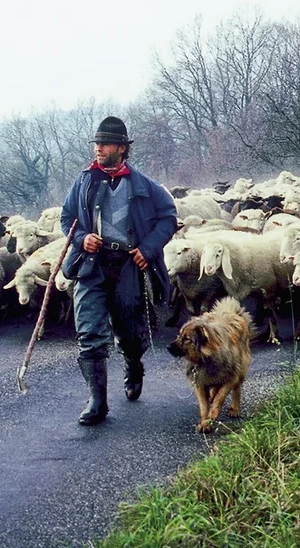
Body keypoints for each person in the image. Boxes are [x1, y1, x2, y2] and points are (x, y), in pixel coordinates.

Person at [59, 116, 177, 426]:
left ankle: (133, 365)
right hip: (91, 265)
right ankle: (97, 401)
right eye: (97, 144)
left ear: (122, 148)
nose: (98, 149)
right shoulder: (84, 181)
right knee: (89, 333)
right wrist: (82, 238)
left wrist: (147, 249)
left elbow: (168, 217)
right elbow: (66, 217)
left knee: (130, 334)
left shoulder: (143, 185)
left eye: (105, 144)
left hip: (126, 266)